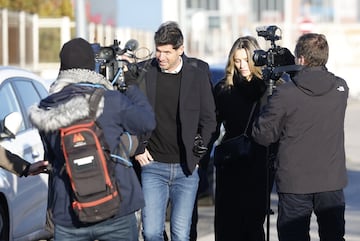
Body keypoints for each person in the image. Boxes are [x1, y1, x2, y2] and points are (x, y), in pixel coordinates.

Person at [28, 37, 156, 241]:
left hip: (69, 212)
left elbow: (52, 157)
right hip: (118, 207)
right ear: (93, 65)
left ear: (62, 69)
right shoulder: (111, 100)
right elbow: (147, 122)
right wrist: (131, 85)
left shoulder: (46, 108)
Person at [252, 33, 348, 241]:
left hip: (295, 184)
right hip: (331, 182)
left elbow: (263, 135)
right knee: (333, 237)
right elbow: (314, 86)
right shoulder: (341, 88)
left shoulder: (285, 94)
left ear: (301, 59)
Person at [134, 21, 217, 241]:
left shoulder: (197, 73)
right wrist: (137, 148)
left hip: (186, 169)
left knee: (181, 235)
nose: (161, 57)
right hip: (153, 166)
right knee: (151, 232)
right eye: (158, 51)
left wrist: (198, 154)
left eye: (167, 52)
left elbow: (209, 120)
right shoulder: (144, 72)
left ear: (180, 50)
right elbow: (128, 114)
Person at [213, 36, 268, 241]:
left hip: (258, 162)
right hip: (231, 161)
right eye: (237, 61)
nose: (242, 66)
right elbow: (213, 125)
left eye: (246, 60)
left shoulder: (267, 88)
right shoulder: (223, 88)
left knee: (253, 223)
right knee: (227, 223)